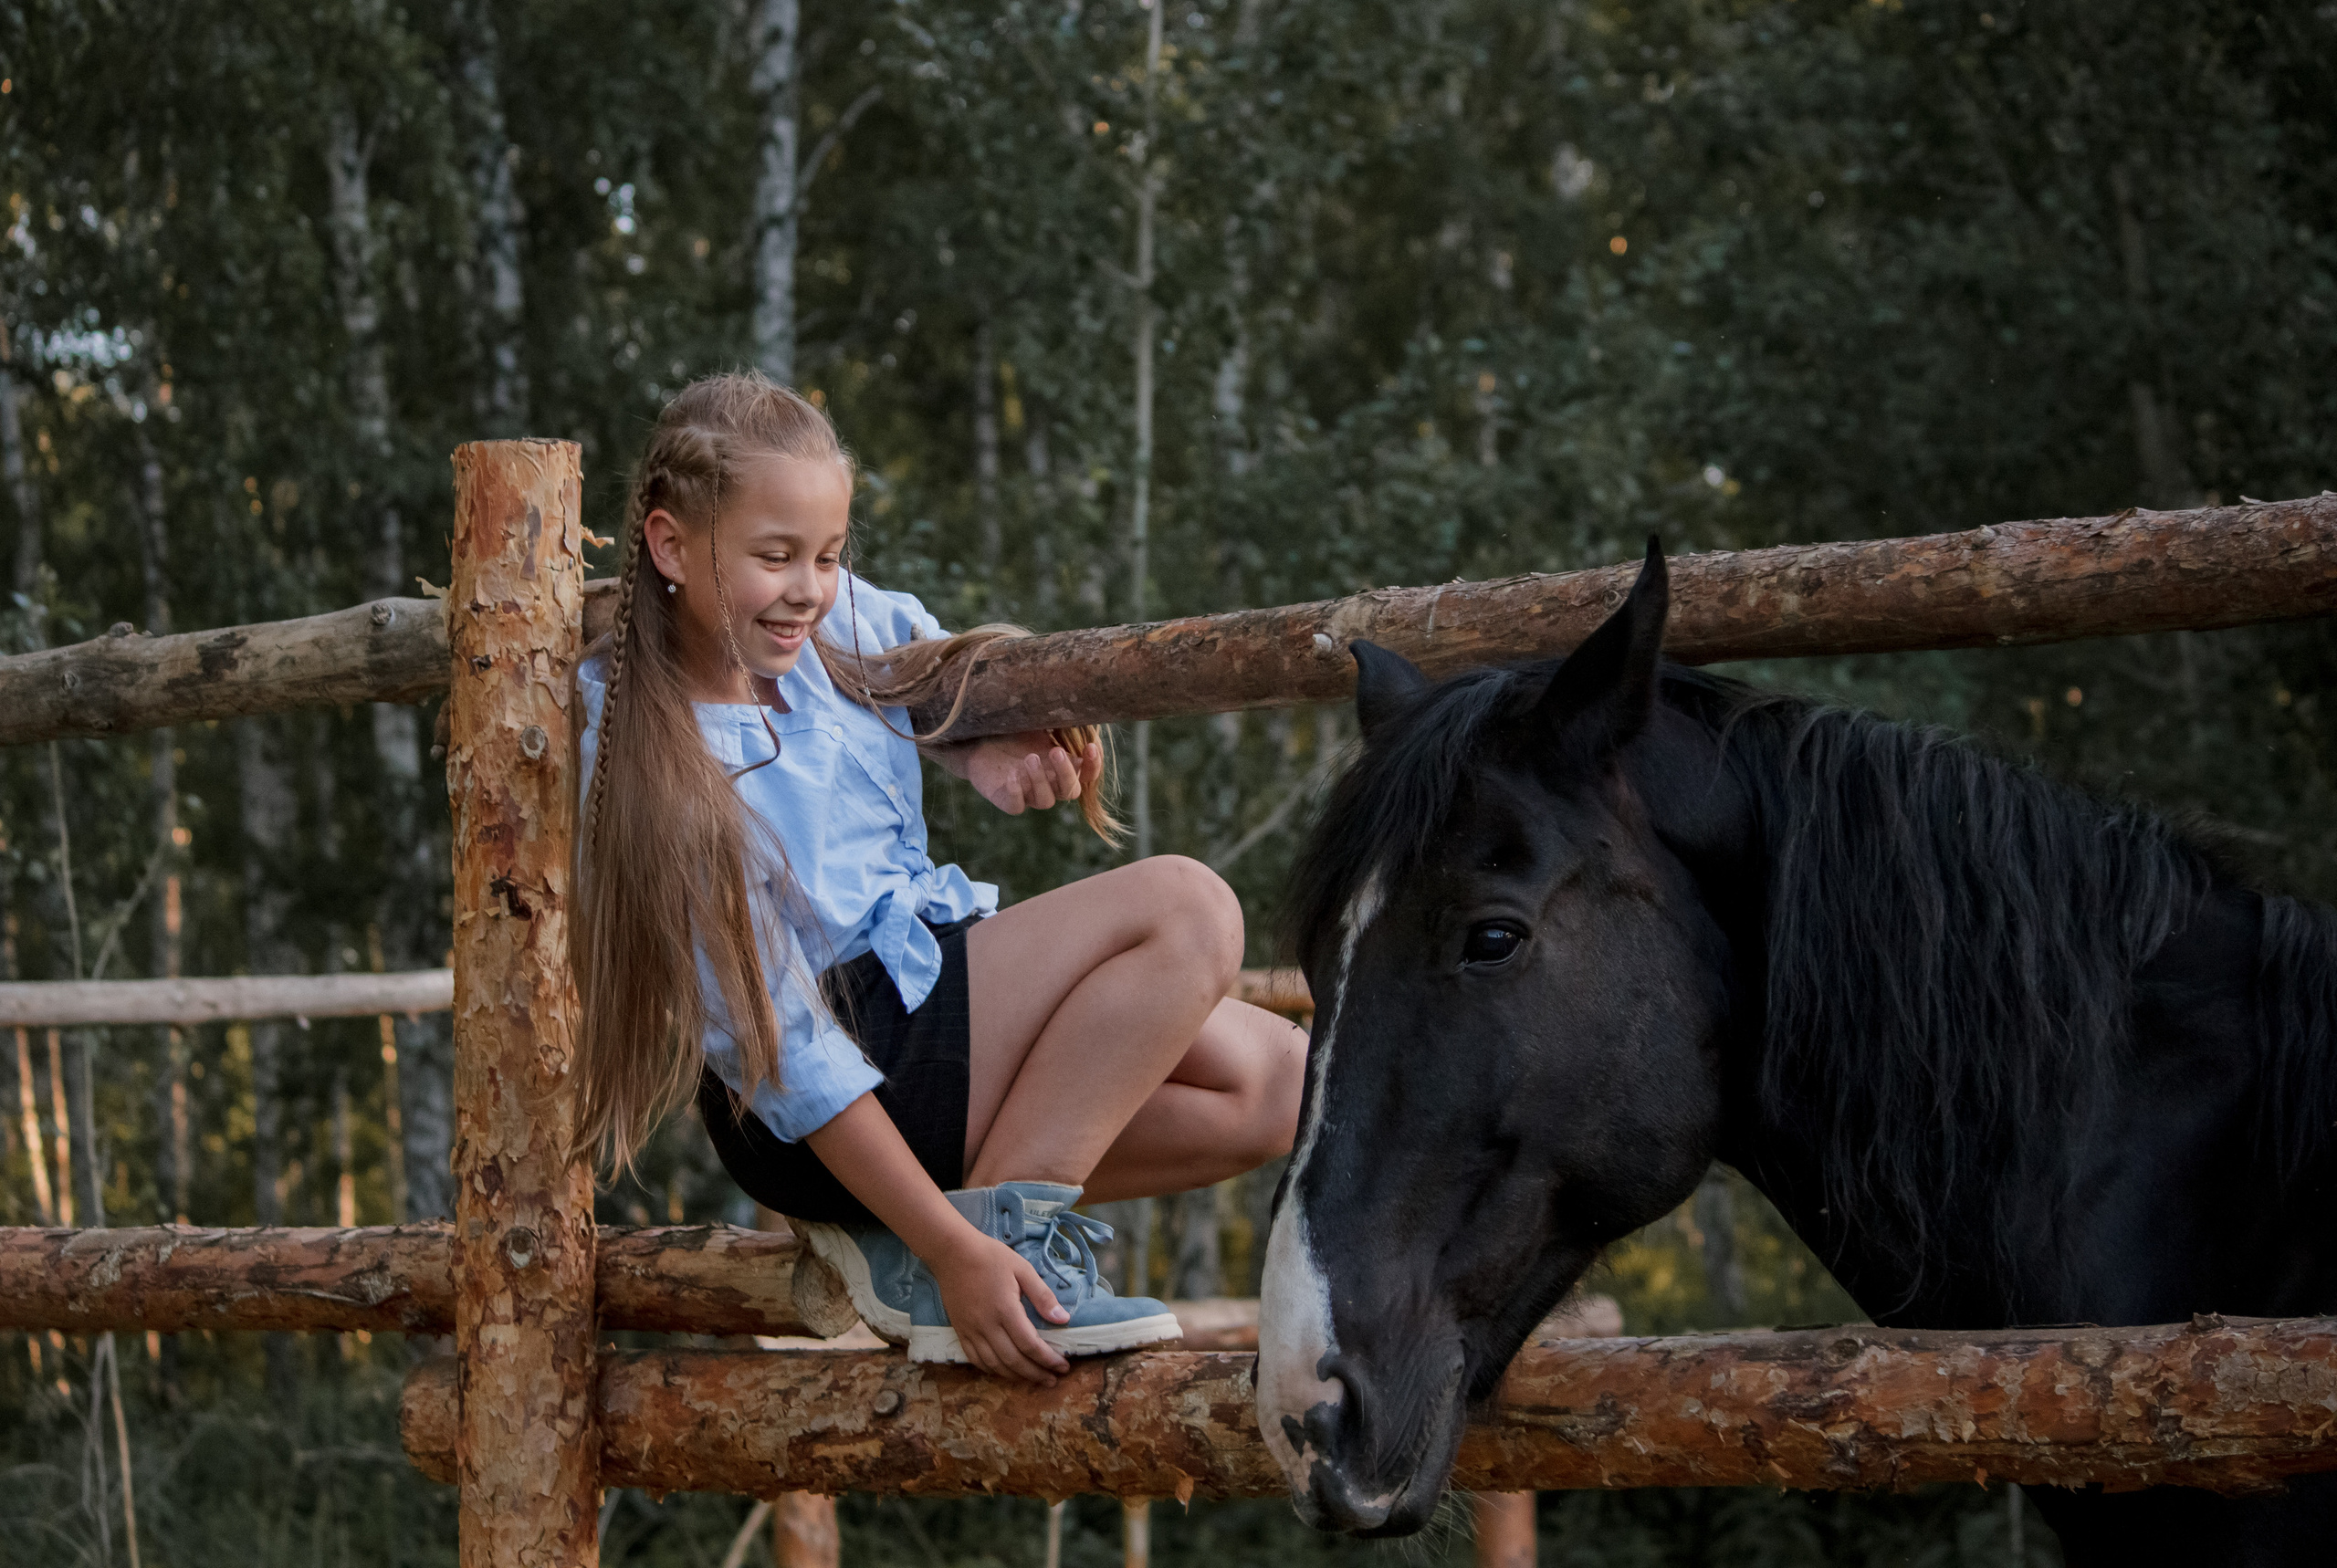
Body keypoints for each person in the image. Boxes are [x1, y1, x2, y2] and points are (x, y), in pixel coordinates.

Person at [571, 371, 1306, 1386]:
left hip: (918, 1007)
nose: (809, 587)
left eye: (829, 554)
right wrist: (955, 1252)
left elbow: (916, 666)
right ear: (668, 545)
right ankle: (979, 1247)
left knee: (1279, 1087)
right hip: (821, 1092)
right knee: (1187, 908)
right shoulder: (657, 755)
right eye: (774, 557)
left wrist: (977, 744)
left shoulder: (824, 627)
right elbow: (787, 1054)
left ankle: (961, 1231)